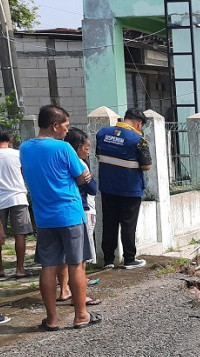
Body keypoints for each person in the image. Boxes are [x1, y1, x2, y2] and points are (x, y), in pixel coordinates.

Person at [19, 104, 101, 330]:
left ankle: (52, 319)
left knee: (48, 267)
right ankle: (81, 315)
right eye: (65, 126)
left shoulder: (25, 148)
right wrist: (77, 178)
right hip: (70, 214)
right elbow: (83, 176)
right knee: (76, 265)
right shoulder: (64, 149)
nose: (67, 130)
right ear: (55, 126)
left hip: (44, 217)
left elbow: (26, 173)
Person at [96, 108, 152, 269]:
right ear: (138, 124)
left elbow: (99, 155)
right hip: (130, 189)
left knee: (109, 223)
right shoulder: (138, 139)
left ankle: (108, 260)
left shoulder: (102, 133)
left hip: (108, 187)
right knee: (128, 224)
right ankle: (129, 259)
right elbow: (147, 165)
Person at [56, 128, 101, 307]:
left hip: (57, 214)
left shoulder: (59, 161)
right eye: (86, 148)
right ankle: (80, 297)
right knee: (79, 259)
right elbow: (92, 189)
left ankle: (64, 290)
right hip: (81, 210)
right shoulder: (79, 164)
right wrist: (87, 179)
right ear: (77, 147)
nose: (88, 152)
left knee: (63, 257)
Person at [0, 126, 33, 279]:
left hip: (0, 198)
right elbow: (24, 172)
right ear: (11, 139)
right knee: (20, 234)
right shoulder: (18, 154)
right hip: (17, 197)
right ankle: (20, 269)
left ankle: (0, 269)